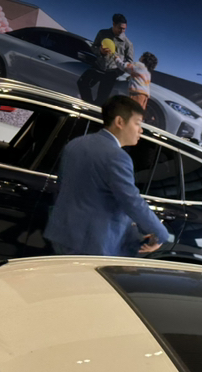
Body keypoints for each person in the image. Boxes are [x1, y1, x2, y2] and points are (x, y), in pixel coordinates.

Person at [44, 95, 169, 258]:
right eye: (137, 123)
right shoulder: (118, 157)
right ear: (120, 121)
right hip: (92, 241)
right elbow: (131, 200)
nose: (141, 130)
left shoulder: (75, 144)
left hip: (61, 233)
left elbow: (62, 186)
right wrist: (160, 233)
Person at [77, 14, 134, 105]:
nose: (122, 31)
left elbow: (129, 62)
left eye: (124, 29)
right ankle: (89, 105)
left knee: (101, 99)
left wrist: (117, 73)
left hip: (111, 73)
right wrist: (100, 51)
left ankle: (94, 110)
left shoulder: (128, 44)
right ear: (114, 24)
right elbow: (94, 47)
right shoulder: (102, 33)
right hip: (98, 66)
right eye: (120, 28)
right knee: (82, 83)